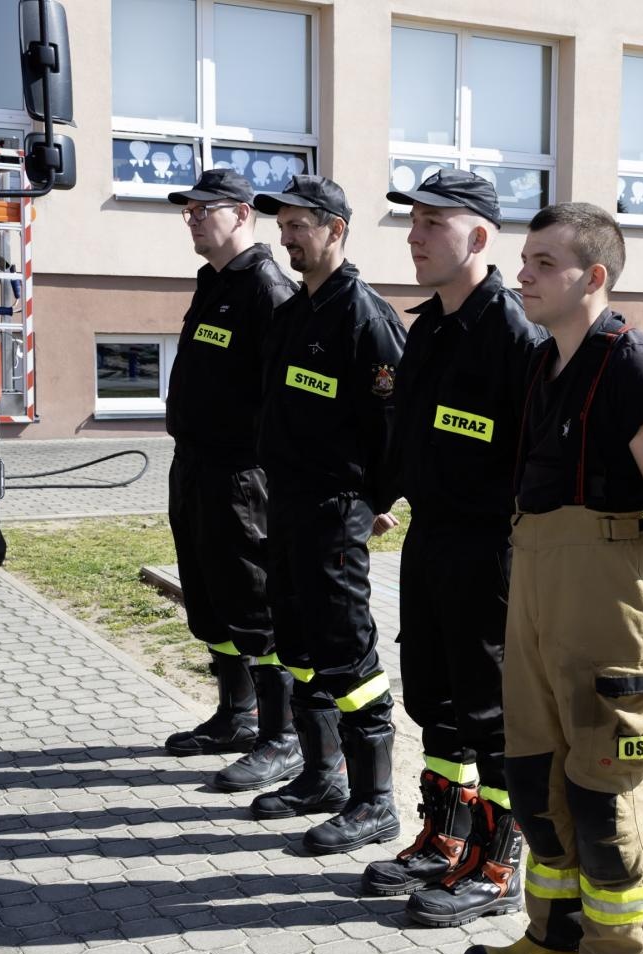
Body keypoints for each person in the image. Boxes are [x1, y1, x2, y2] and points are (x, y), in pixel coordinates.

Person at [457, 202, 643, 954]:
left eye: (542, 263)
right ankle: (554, 937)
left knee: (606, 794)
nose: (521, 274)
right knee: (535, 780)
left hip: (608, 597)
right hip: (535, 589)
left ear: (593, 277)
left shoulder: (640, 369)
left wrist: (622, 588)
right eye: (523, 259)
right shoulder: (543, 366)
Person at [361, 170, 545, 926]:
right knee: (435, 695)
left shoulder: (513, 335)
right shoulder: (430, 325)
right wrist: (378, 497)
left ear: (478, 236)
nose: (415, 235)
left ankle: (498, 863)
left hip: (491, 552)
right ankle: (446, 835)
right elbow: (407, 433)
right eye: (413, 222)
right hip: (431, 540)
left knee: (491, 708)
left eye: (433, 222)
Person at [241, 174, 407, 855]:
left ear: (336, 229)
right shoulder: (293, 311)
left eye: (299, 225)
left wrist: (376, 500)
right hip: (286, 507)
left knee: (348, 654)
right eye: (282, 225)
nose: (286, 236)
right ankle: (321, 776)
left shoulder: (364, 317)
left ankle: (375, 802)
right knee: (298, 647)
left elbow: (397, 422)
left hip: (336, 512)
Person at [158, 169, 296, 784]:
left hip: (240, 475)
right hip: (195, 467)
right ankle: (235, 713)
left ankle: (282, 735)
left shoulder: (265, 287)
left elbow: (284, 395)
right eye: (186, 211)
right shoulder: (213, 282)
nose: (191, 219)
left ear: (241, 215)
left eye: (202, 209)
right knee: (209, 600)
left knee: (252, 603)